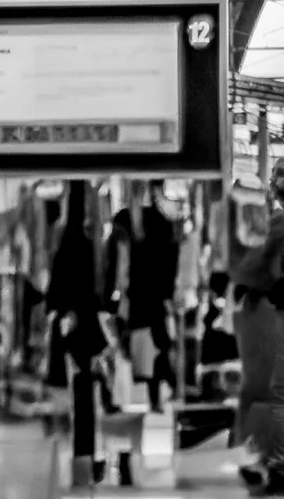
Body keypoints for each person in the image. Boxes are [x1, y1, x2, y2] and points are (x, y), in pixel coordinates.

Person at [232, 156, 284, 495]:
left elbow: (283, 260)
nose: (273, 180)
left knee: (274, 393)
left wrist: (256, 283)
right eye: (274, 173)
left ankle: (283, 471)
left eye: (281, 174)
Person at [46, 180, 115, 481]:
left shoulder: (64, 242)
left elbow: (56, 288)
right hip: (90, 323)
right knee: (93, 392)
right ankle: (94, 453)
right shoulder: (94, 242)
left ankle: (85, 452)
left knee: (80, 391)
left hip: (72, 324)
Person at [106, 182, 183, 401]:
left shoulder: (123, 219)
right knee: (159, 343)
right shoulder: (162, 221)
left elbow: (115, 260)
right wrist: (168, 292)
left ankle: (156, 392)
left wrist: (112, 293)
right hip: (154, 294)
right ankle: (162, 388)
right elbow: (171, 257)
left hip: (137, 294)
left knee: (146, 343)